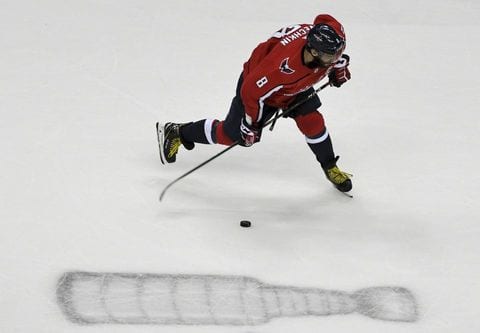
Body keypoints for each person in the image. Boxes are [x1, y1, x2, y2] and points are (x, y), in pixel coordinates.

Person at [157, 14, 352, 193]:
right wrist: (250, 126)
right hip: (259, 90)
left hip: (293, 88)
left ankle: (330, 166)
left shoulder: (330, 33)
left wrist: (338, 65)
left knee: (313, 122)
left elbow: (323, 19)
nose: (335, 59)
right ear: (314, 52)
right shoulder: (281, 68)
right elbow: (251, 92)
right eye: (331, 57)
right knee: (230, 135)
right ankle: (178, 132)